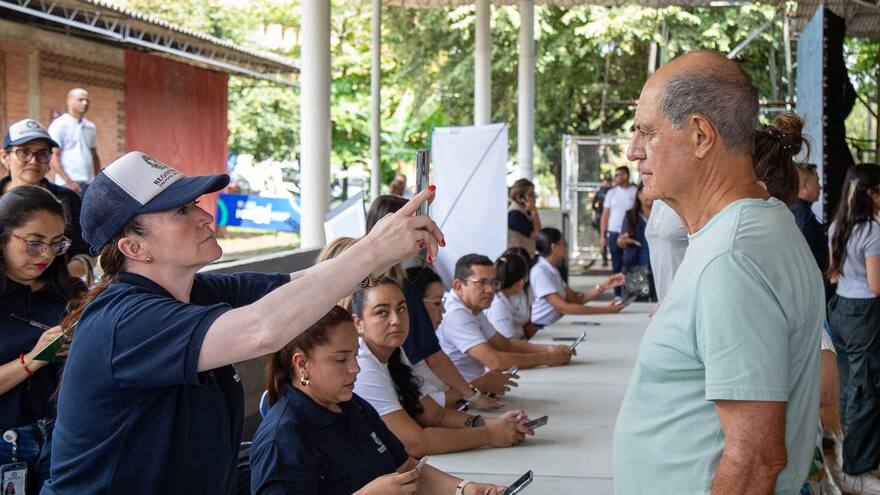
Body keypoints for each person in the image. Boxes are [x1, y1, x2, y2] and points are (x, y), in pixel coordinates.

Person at [42, 151, 443, 494]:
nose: (203, 215)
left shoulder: (198, 291)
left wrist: (382, 249)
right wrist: (373, 250)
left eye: (195, 203)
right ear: (134, 247)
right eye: (181, 210)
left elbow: (300, 285)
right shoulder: (124, 320)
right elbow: (263, 329)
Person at [612, 50, 825, 494]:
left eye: (646, 132)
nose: (633, 151)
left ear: (701, 136)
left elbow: (755, 460)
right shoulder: (747, 230)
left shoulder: (733, 257)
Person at [249, 305, 507, 495]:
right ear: (302, 364)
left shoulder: (352, 405)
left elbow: (407, 469)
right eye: (341, 360)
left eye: (356, 356)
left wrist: (466, 489)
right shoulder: (283, 441)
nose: (355, 369)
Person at [350, 279, 532, 457]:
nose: (396, 320)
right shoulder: (363, 364)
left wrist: (495, 424)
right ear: (358, 323)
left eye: (401, 309)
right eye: (382, 312)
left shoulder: (396, 351)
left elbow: (435, 415)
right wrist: (489, 434)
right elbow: (415, 443)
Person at [366, 196, 500, 408]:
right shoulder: (402, 287)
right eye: (416, 226)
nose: (424, 234)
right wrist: (472, 395)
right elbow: (433, 358)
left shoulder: (367, 281)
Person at [0, 186, 86, 493]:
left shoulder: (71, 292)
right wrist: (35, 358)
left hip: (63, 436)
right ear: (3, 238)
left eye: (56, 244)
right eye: (34, 243)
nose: (46, 255)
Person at [438, 254, 576, 383]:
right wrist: (547, 358)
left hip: (478, 389)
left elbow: (504, 344)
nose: (490, 290)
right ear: (458, 286)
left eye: (493, 283)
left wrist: (550, 349)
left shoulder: (473, 307)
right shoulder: (455, 314)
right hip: (464, 398)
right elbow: (495, 361)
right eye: (482, 282)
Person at [826, 163, 880, 480]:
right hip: (864, 314)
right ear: (870, 193)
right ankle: (858, 467)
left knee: (851, 386)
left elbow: (834, 273)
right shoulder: (873, 231)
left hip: (842, 308)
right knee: (866, 389)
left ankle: (851, 454)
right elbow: (876, 285)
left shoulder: (839, 225)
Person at [1, 119, 92, 279]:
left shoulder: (68, 200)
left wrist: (55, 277)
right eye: (23, 152)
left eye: (42, 153)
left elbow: (87, 253)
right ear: (4, 157)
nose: (33, 161)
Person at [530, 228, 625, 327]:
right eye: (564, 244)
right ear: (554, 247)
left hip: (556, 324)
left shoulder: (552, 269)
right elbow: (565, 308)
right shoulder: (540, 272)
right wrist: (607, 310)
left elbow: (576, 300)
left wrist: (603, 286)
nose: (566, 247)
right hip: (542, 326)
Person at [48, 89, 100, 195]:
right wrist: (69, 181)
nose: (85, 103)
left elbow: (94, 155)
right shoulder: (59, 125)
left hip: (89, 183)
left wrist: (97, 180)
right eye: (80, 100)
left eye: (87, 100)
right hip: (67, 184)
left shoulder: (90, 127)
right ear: (69, 101)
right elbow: (54, 156)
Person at [600, 166, 637, 296]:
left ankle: (632, 295)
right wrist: (603, 236)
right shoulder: (611, 193)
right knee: (616, 266)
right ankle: (618, 296)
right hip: (613, 233)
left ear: (625, 176)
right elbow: (605, 216)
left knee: (631, 265)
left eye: (618, 175)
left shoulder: (635, 191)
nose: (615, 178)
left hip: (630, 234)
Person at [617, 183, 656, 302]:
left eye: (652, 189)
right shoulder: (630, 215)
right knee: (635, 304)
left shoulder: (661, 215)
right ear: (639, 195)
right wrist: (622, 241)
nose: (649, 195)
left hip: (657, 265)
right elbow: (620, 242)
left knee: (659, 302)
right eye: (646, 190)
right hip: (635, 265)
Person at [485, 252, 536, 340]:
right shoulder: (498, 305)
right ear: (520, 282)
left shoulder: (502, 298)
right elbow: (509, 343)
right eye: (526, 278)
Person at [791, 163, 828, 275]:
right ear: (805, 187)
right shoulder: (802, 214)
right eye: (816, 182)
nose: (820, 187)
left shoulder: (797, 210)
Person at [507, 178, 542, 256]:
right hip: (518, 259)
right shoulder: (515, 215)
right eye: (531, 194)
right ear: (521, 197)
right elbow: (538, 236)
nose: (534, 197)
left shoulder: (523, 211)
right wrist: (534, 210)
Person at [592, 176, 612, 267]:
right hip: (605, 218)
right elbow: (594, 205)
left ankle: (606, 260)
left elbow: (594, 206)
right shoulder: (609, 192)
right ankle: (605, 259)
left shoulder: (603, 191)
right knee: (604, 238)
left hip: (605, 218)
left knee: (604, 238)